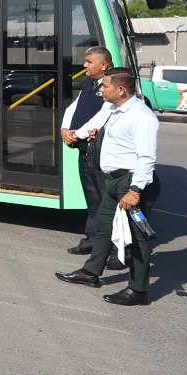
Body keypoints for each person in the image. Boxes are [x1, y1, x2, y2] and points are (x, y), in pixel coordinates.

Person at [56, 68, 161, 306]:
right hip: (112, 180)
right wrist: (74, 135)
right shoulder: (112, 108)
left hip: (130, 182)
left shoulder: (141, 116)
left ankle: (138, 290)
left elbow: (146, 158)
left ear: (121, 90)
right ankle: (91, 273)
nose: (101, 89)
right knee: (104, 229)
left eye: (105, 86)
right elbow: (94, 124)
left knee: (138, 238)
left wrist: (135, 191)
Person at [60, 46, 113, 256]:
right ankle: (92, 241)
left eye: (89, 62)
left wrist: (77, 134)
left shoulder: (110, 87)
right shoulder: (89, 85)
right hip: (85, 150)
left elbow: (101, 117)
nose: (84, 65)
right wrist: (64, 129)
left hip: (99, 152)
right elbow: (72, 108)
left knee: (102, 199)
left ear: (104, 65)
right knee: (92, 198)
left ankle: (110, 248)